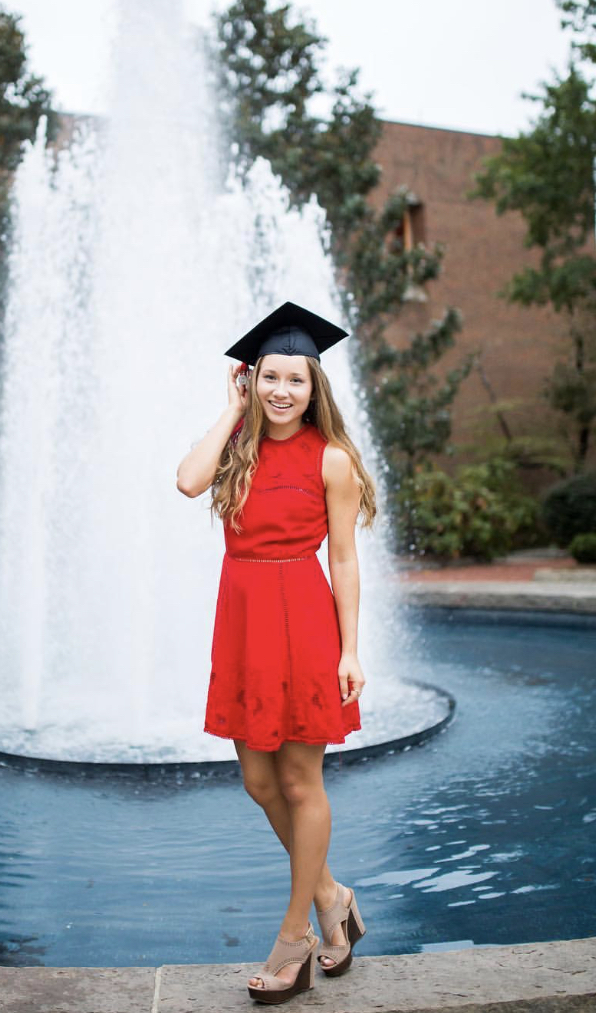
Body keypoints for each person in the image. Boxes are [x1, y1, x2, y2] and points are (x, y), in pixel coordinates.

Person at [176, 301, 377, 1004]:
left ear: (314, 386)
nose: (282, 390)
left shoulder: (332, 458)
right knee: (259, 782)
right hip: (243, 623)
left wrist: (351, 650)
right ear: (251, 378)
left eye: (296, 379)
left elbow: (344, 560)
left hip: (303, 623)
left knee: (299, 781)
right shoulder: (237, 446)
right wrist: (232, 411)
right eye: (269, 377)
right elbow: (187, 480)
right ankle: (332, 895)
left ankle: (297, 937)